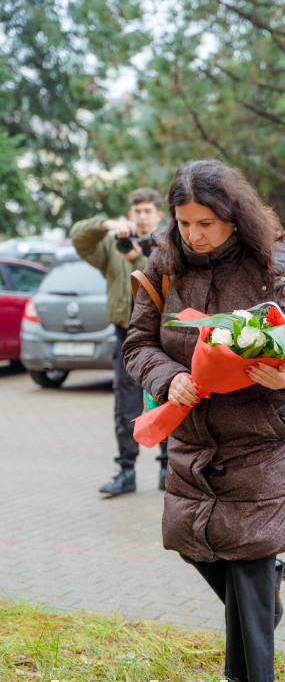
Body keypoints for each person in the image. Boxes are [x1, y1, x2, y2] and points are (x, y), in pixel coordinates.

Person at [122, 160, 285, 682]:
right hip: (193, 427)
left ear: (234, 218)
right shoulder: (165, 263)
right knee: (190, 539)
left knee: (245, 558)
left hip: (264, 431)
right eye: (184, 222)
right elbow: (138, 343)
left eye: (206, 223)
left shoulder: (273, 262)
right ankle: (269, 588)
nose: (193, 235)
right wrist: (170, 378)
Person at [70, 188, 168, 497]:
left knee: (167, 400)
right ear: (130, 215)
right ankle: (126, 471)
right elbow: (77, 237)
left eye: (147, 211)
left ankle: (169, 468)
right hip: (125, 337)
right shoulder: (113, 250)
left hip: (161, 338)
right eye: (136, 211)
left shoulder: (166, 246)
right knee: (124, 405)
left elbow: (165, 279)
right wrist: (105, 226)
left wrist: (137, 256)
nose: (141, 216)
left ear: (158, 215)